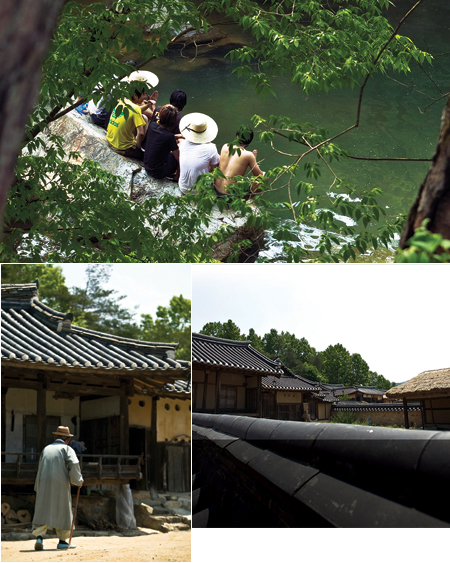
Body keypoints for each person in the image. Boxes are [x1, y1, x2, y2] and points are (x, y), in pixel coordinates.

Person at [32, 426, 84, 551]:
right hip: (60, 481)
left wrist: (37, 486)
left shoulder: (46, 449)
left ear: (55, 437)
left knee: (43, 508)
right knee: (63, 509)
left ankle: (39, 538)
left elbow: (40, 468)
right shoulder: (67, 449)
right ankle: (62, 541)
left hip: (44, 481)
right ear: (67, 440)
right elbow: (74, 463)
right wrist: (78, 481)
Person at [106, 71, 158, 160]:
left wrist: (148, 105)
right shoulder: (136, 109)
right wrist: (137, 146)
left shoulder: (122, 101)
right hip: (121, 148)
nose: (145, 96)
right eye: (144, 94)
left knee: (144, 118)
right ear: (135, 95)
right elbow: (141, 134)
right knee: (147, 155)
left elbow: (135, 111)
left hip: (110, 140)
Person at [215, 126, 265, 198]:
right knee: (264, 177)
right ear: (249, 141)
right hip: (229, 196)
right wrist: (254, 160)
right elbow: (259, 176)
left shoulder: (225, 146)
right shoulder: (248, 155)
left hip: (215, 190)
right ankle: (246, 200)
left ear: (237, 136)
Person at [178, 112, 220, 194]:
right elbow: (215, 170)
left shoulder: (183, 143)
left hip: (183, 187)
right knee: (219, 159)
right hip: (201, 190)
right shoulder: (211, 148)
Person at [143, 104, 180, 180]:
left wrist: (179, 136)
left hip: (147, 165)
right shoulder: (169, 136)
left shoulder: (152, 125)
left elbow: (161, 136)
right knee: (179, 152)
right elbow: (178, 157)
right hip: (157, 172)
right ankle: (177, 176)